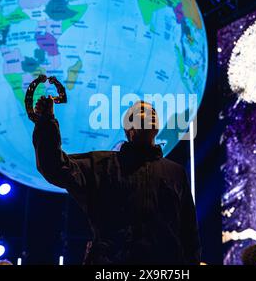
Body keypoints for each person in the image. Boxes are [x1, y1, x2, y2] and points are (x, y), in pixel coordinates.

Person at [32, 98, 200, 264]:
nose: (150, 113)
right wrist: (47, 123)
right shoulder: (102, 165)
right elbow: (56, 167)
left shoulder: (175, 173)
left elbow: (189, 233)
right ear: (129, 128)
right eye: (142, 111)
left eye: (153, 112)